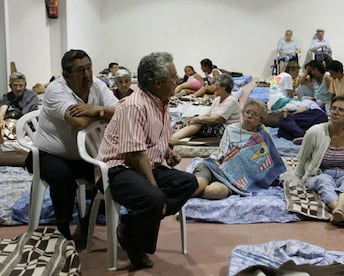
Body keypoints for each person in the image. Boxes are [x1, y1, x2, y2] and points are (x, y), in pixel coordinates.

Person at [97, 52, 198, 271]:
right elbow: (135, 155)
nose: (178, 79)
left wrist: (168, 151)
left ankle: (130, 229)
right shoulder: (135, 106)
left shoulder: (162, 102)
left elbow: (156, 139)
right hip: (118, 168)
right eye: (173, 77)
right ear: (158, 83)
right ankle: (135, 245)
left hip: (147, 163)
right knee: (154, 196)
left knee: (189, 183)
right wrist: (154, 187)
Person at [27, 49, 118, 242]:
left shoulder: (98, 86)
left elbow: (121, 111)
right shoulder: (56, 90)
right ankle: (63, 229)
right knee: (63, 178)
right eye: (80, 71)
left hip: (84, 154)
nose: (87, 75)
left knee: (115, 174)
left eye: (88, 68)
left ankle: (85, 225)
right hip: (49, 154)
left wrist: (97, 110)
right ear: (66, 75)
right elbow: (79, 123)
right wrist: (100, 114)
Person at [284, 95, 344, 228]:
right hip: (320, 173)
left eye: (341, 110)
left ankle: (338, 211)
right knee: (324, 180)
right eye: (333, 108)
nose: (335, 112)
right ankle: (339, 209)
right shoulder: (315, 132)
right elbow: (303, 159)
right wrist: (298, 178)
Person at [192, 99, 286, 199]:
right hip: (212, 167)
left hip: (233, 182)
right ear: (242, 114)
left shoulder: (262, 138)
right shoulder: (231, 129)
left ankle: (190, 193)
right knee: (198, 186)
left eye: (255, 114)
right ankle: (190, 192)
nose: (249, 116)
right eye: (247, 112)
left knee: (214, 192)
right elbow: (221, 154)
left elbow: (269, 163)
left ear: (260, 120)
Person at [171, 74, 241, 144]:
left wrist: (197, 119)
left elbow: (216, 120)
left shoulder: (231, 101)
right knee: (194, 119)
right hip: (217, 125)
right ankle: (175, 137)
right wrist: (196, 117)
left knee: (199, 123)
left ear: (224, 87)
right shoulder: (218, 99)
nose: (215, 88)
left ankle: (174, 138)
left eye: (217, 85)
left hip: (227, 130)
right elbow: (208, 115)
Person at [264, 98, 328, 142]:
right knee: (282, 132)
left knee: (284, 127)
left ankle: (302, 135)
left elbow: (302, 109)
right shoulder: (297, 107)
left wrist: (288, 117)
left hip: (317, 116)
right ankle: (303, 135)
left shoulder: (307, 102)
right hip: (311, 124)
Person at [0, 72, 39, 142]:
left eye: (21, 85)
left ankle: (6, 137)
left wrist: (20, 122)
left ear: (25, 85)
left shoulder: (31, 96)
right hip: (10, 121)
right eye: (15, 85)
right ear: (10, 86)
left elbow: (31, 115)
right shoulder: (7, 96)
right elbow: (2, 111)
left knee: (20, 127)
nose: (18, 88)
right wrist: (1, 120)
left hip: (25, 122)